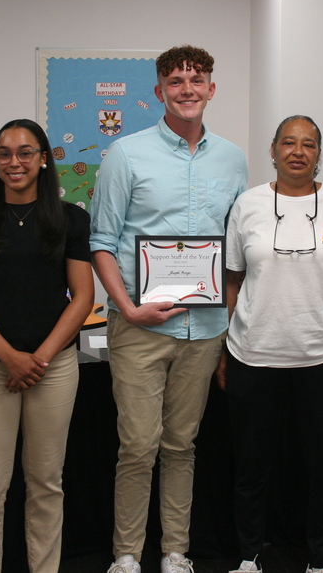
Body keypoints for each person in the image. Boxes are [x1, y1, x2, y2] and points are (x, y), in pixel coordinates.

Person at [89, 45, 248, 573]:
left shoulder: (233, 159)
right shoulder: (125, 155)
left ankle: (175, 552)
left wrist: (229, 313)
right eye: (175, 80)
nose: (186, 89)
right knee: (137, 446)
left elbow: (237, 248)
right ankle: (127, 554)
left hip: (204, 328)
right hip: (139, 327)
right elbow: (102, 242)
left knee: (183, 444)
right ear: (159, 91)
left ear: (211, 89)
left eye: (196, 79)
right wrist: (127, 309)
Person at [217, 115, 323, 573]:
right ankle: (248, 556)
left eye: (308, 144)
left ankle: (320, 560)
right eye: (289, 143)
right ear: (273, 149)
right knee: (251, 468)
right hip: (254, 354)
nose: (298, 151)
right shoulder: (248, 204)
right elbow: (232, 280)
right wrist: (225, 348)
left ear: (319, 153)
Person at [0, 119, 94, 572]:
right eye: (4, 153)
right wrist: (11, 357)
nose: (15, 161)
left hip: (53, 368)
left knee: (45, 482)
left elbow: (83, 297)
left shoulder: (69, 218)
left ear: (44, 158)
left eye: (25, 152)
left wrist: (41, 357)